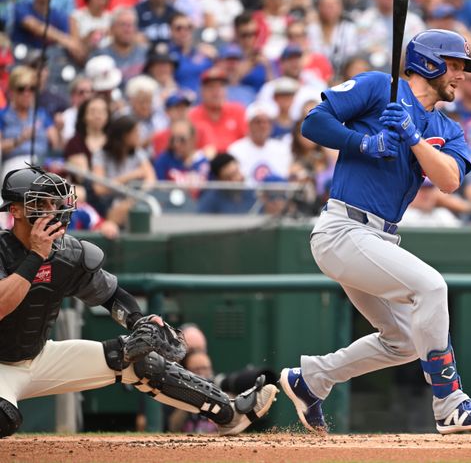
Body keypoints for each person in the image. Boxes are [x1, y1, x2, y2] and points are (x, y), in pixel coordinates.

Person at [285, 29, 471, 434]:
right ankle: (450, 402)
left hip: (378, 237)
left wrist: (413, 137)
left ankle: (312, 379)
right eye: (455, 65)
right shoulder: (379, 87)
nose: (461, 75)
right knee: (432, 287)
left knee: (402, 340)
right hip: (343, 229)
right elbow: (314, 123)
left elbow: (450, 180)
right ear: (430, 62)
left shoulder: (448, 128)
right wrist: (363, 142)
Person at [0, 166, 278, 438]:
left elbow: (109, 294)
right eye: (40, 203)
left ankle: (230, 413)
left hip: (38, 355)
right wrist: (35, 256)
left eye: (53, 201)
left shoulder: (66, 252)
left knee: (141, 360)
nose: (51, 210)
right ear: (16, 211)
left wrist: (138, 321)